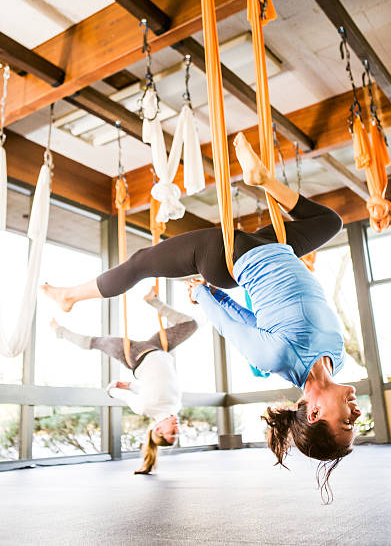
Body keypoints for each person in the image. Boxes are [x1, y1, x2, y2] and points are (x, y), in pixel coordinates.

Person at [42, 132, 360, 500]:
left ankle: (70, 296)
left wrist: (203, 293)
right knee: (330, 222)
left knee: (144, 261)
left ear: (317, 413)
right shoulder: (335, 355)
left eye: (348, 421)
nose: (356, 411)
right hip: (279, 248)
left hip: (233, 257)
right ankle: (264, 180)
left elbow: (234, 323)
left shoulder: (277, 358)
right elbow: (258, 319)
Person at [50, 288, 197, 474]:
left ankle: (60, 331)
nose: (177, 428)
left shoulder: (145, 408)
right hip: (159, 348)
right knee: (190, 325)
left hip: (134, 355)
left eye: (172, 433)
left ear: (159, 429)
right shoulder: (175, 407)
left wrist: (113, 389)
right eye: (177, 433)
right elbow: (154, 385)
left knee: (95, 341)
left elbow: (126, 397)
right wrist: (131, 385)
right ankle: (152, 299)